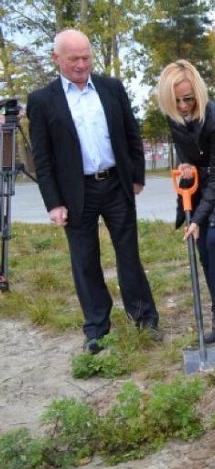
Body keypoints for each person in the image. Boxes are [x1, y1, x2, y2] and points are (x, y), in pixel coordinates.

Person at [28, 29, 160, 354]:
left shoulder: (111, 88)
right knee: (85, 261)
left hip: (116, 184)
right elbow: (42, 158)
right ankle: (97, 330)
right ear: (56, 58)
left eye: (86, 57)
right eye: (74, 58)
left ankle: (145, 320)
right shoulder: (43, 101)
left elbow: (132, 133)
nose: (81, 64)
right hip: (76, 193)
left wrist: (137, 175)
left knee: (129, 255)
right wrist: (54, 202)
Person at [156, 60, 215, 344]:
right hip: (199, 186)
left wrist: (197, 219)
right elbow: (187, 153)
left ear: (198, 93)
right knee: (203, 248)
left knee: (214, 236)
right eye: (177, 101)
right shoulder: (173, 118)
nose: (184, 106)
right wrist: (186, 166)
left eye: (189, 99)